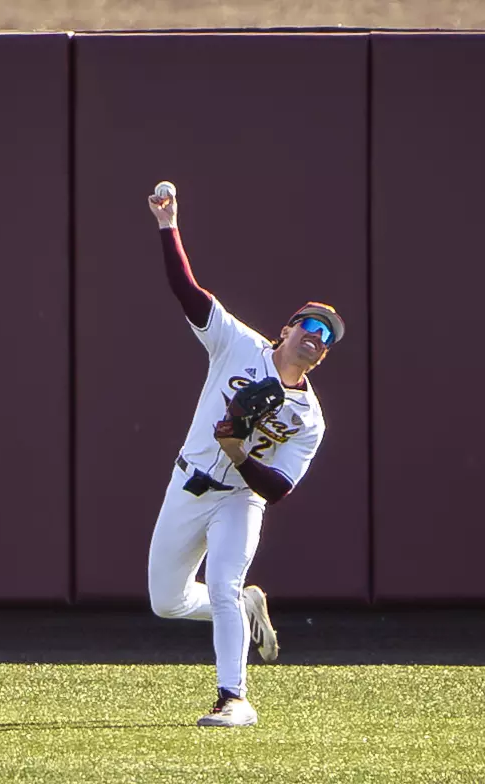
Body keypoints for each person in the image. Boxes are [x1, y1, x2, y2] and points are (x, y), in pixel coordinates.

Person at [145, 182, 345, 727]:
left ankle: (234, 698)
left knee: (226, 582)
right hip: (187, 485)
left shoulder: (309, 419)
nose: (318, 335)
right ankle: (245, 608)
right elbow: (187, 291)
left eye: (327, 337)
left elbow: (277, 489)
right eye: (310, 324)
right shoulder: (238, 343)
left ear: (322, 357)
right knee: (166, 601)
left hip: (240, 498)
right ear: (286, 329)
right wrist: (169, 226)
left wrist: (236, 453)